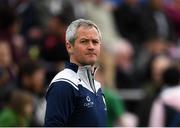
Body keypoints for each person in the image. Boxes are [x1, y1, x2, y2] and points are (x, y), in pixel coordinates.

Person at [44, 19, 107, 127]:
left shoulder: (97, 86)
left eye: (95, 42)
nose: (91, 46)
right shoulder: (63, 84)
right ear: (69, 47)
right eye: (84, 41)